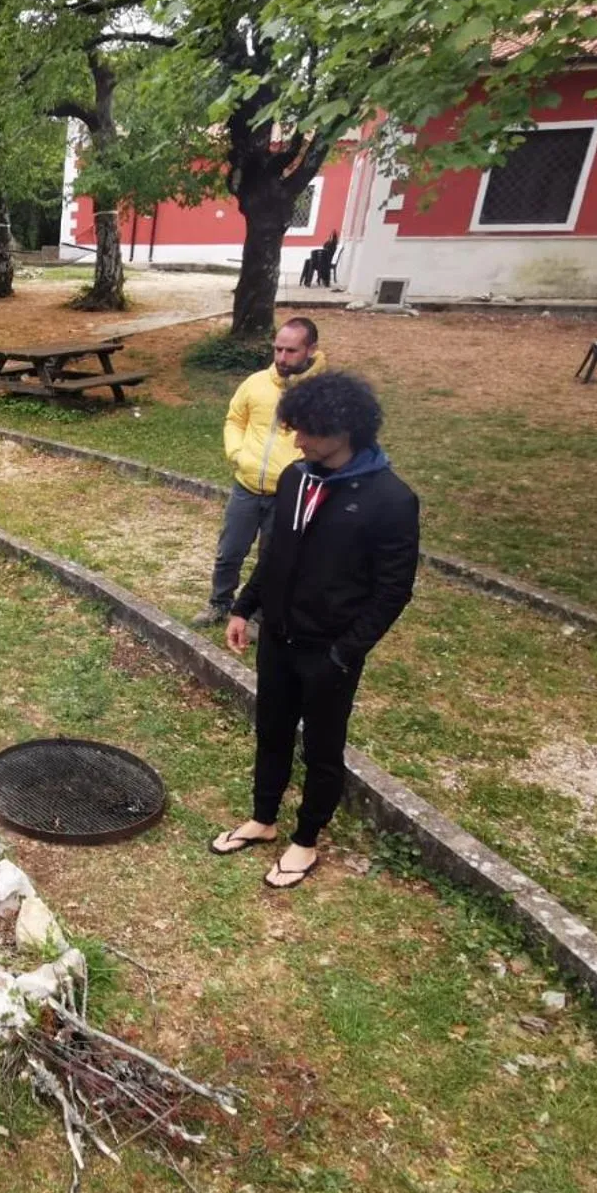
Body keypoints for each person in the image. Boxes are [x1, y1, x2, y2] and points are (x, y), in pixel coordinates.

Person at [214, 373, 420, 888]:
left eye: (305, 430)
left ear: (342, 429)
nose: (297, 440)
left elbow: (392, 591)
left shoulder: (392, 500)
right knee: (272, 731)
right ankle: (263, 819)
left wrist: (344, 653)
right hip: (278, 638)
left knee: (323, 748)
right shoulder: (296, 478)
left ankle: (305, 841)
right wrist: (244, 607)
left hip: (329, 652)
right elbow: (275, 553)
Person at [194, 317, 326, 629]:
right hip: (247, 486)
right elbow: (235, 419)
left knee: (273, 558)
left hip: (288, 494)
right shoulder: (255, 383)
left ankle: (258, 614)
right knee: (229, 552)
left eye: (291, 351)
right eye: (278, 349)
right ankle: (219, 602)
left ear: (311, 349)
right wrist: (237, 453)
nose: (281, 357)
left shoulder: (321, 393)